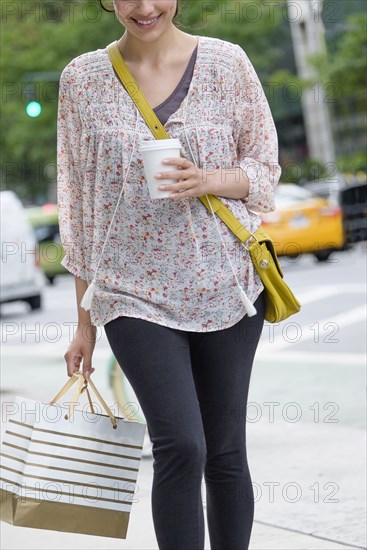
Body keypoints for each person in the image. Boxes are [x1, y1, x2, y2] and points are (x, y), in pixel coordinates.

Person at [58, 1, 281, 548]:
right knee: (182, 443)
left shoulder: (228, 63)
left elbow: (264, 173)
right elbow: (78, 205)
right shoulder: (81, 79)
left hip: (227, 285)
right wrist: (83, 323)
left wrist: (207, 177)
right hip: (132, 293)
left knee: (225, 449)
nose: (144, 7)